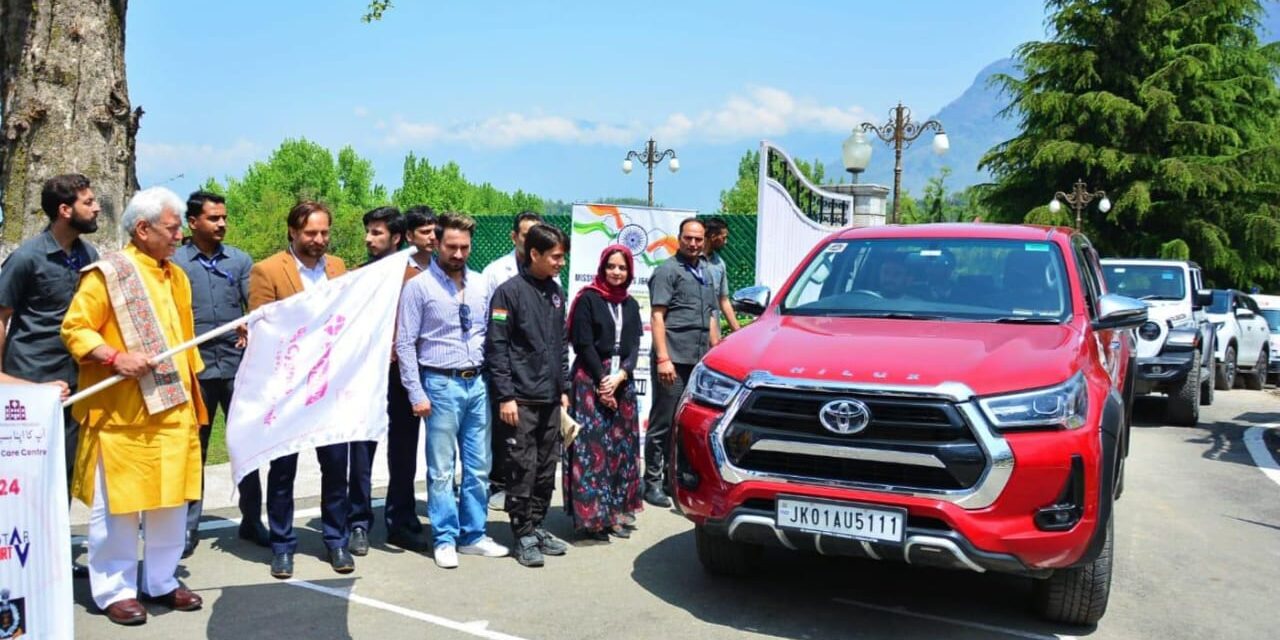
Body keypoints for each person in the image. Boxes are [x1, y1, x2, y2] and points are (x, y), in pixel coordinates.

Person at [61, 187, 206, 626]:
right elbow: (75, 329)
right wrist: (114, 357)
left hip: (173, 409)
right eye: (173, 227)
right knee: (119, 510)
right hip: (123, 414)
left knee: (170, 505)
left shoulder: (176, 276)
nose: (180, 235)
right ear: (143, 230)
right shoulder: (107, 275)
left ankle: (161, 580)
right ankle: (114, 588)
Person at [0, 173, 100, 578]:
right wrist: (7, 382)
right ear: (65, 210)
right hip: (33, 385)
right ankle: (25, 559)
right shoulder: (26, 258)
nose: (95, 208)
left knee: (66, 472)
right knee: (31, 476)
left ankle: (53, 551)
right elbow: (2, 319)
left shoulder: (87, 253)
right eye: (88, 202)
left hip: (75, 385)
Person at [395, 213, 509, 569]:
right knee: (442, 468)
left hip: (477, 382)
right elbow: (404, 343)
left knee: (478, 466)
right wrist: (416, 392)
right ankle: (444, 537)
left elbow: (492, 332)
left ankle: (473, 534)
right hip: (440, 383)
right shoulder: (419, 287)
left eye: (464, 247)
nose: (458, 253)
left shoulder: (481, 286)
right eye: (451, 247)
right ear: (436, 244)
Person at [248, 201, 354, 579]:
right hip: (288, 389)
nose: (319, 240)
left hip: (330, 386)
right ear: (292, 232)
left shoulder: (339, 268)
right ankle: (282, 546)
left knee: (335, 467)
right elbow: (261, 330)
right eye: (311, 233)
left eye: (324, 233)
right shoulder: (267, 270)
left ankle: (336, 541)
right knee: (283, 471)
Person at [173, 190, 262, 558]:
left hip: (235, 368)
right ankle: (186, 528)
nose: (221, 223)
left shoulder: (240, 260)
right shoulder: (175, 262)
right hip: (193, 370)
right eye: (213, 218)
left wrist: (250, 328)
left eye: (224, 217)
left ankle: (253, 520)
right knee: (195, 449)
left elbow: (254, 308)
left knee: (247, 445)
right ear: (192, 222)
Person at [486, 223, 573, 567]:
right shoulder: (508, 293)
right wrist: (506, 396)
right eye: (555, 256)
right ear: (534, 254)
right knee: (521, 468)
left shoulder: (555, 293)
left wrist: (563, 389)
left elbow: (561, 345)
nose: (560, 263)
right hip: (520, 399)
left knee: (544, 467)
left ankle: (537, 526)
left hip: (550, 398)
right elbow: (497, 347)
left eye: (562, 257)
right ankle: (521, 532)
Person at [564, 245, 643, 541]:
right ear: (602, 267)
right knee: (591, 449)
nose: (616, 272)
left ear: (629, 272)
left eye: (622, 268)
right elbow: (583, 343)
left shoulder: (631, 304)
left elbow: (634, 345)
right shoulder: (588, 299)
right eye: (611, 266)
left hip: (622, 381)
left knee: (620, 450)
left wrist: (621, 375)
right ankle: (592, 519)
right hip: (590, 378)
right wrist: (602, 381)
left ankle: (614, 513)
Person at [344, 205, 407, 556]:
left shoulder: (415, 277)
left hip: (404, 378)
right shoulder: (356, 277)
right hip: (365, 379)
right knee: (361, 452)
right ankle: (358, 522)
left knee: (402, 453)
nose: (369, 238)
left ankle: (400, 521)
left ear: (396, 238)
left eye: (377, 233)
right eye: (367, 232)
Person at [645, 218, 719, 507]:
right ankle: (651, 483)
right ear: (679, 238)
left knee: (688, 424)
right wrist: (663, 358)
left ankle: (672, 479)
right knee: (663, 422)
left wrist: (716, 353)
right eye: (688, 238)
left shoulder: (706, 272)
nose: (693, 243)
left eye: (699, 239)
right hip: (673, 360)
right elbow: (657, 316)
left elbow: (712, 316)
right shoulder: (667, 271)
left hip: (699, 362)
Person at [382, 205, 436, 550]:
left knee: (442, 449)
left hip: (441, 369)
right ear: (409, 236)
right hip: (403, 370)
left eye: (435, 230)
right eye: (425, 232)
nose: (433, 237)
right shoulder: (396, 272)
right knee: (403, 447)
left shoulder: (446, 269)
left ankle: (442, 516)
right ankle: (399, 518)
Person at [481, 210, 542, 509]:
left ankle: (519, 484)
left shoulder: (546, 278)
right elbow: (492, 325)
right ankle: (498, 483)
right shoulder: (496, 271)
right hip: (504, 363)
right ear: (514, 236)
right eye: (525, 233)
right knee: (501, 427)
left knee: (527, 434)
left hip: (533, 371)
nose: (530, 239)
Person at [702, 216, 741, 332]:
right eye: (724, 238)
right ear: (713, 236)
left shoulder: (719, 264)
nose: (726, 242)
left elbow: (723, 300)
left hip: (713, 335)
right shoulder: (690, 261)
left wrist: (737, 331)